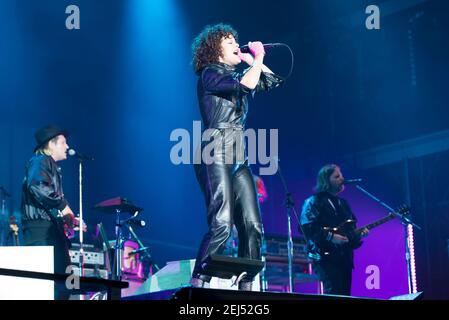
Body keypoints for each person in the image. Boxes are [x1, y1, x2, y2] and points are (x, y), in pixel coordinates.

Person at [190, 23, 283, 290]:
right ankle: (197, 284)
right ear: (215, 50)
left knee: (253, 225)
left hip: (238, 154)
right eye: (229, 41)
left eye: (235, 40)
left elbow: (271, 81)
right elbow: (246, 84)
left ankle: (246, 288)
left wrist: (254, 60)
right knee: (222, 221)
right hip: (214, 149)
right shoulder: (210, 74)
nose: (235, 44)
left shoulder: (238, 73)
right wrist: (258, 60)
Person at [21, 124, 77, 299]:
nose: (67, 147)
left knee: (68, 283)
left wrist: (67, 219)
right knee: (50, 288)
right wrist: (63, 206)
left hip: (51, 232)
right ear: (51, 144)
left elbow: (47, 199)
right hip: (41, 234)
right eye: (63, 142)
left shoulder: (49, 165)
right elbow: (37, 187)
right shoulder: (40, 161)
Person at [300, 164, 368, 296]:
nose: (341, 179)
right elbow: (307, 227)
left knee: (345, 294)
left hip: (344, 258)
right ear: (326, 180)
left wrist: (358, 236)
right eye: (336, 176)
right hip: (325, 257)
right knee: (334, 292)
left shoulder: (343, 204)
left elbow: (349, 231)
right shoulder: (314, 201)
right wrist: (331, 237)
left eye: (341, 175)